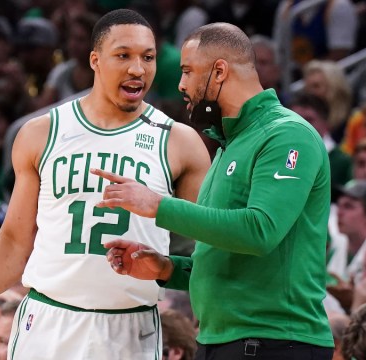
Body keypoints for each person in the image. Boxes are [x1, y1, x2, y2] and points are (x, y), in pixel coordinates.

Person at [0, 9, 210, 360]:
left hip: (131, 327)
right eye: (123, 55)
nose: (138, 68)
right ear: (95, 60)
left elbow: (209, 248)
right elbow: (14, 242)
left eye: (147, 57)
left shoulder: (180, 142)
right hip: (47, 320)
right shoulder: (41, 133)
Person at [95, 22, 334, 358]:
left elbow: (259, 231)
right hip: (222, 339)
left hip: (275, 340)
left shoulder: (287, 135)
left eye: (188, 71)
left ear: (219, 71)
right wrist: (168, 269)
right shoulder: (227, 144)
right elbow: (229, 253)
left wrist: (157, 206)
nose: (181, 84)